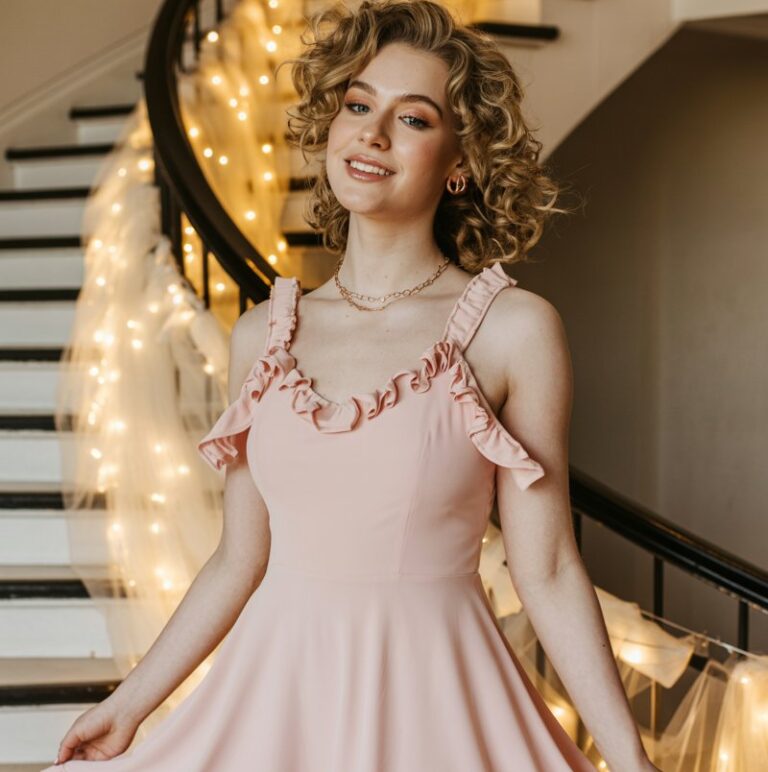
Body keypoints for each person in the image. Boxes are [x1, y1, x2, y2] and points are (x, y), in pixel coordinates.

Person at [48, 1, 663, 770]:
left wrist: (631, 764)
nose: (372, 134)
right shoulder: (262, 335)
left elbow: (547, 569)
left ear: (461, 159)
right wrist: (127, 706)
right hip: (274, 706)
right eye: (357, 105)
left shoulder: (514, 330)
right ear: (331, 127)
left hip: (435, 712)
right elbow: (239, 559)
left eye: (413, 120)